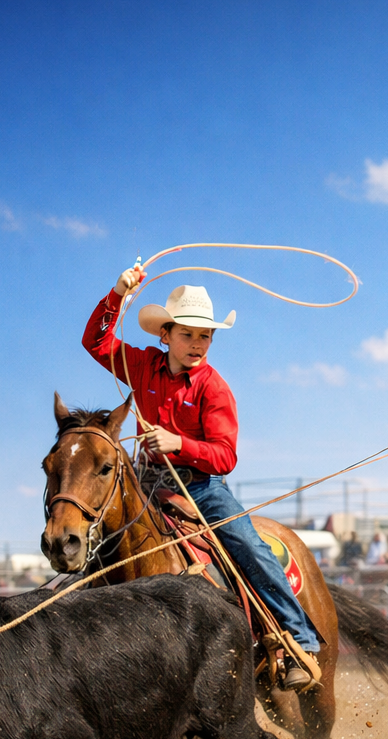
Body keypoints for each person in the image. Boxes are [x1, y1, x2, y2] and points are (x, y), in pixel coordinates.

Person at [82, 265, 322, 690]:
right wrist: (118, 294)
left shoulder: (214, 388)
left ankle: (299, 639)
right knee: (94, 536)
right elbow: (96, 342)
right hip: (145, 483)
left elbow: (225, 457)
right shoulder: (142, 365)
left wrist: (178, 444)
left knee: (248, 545)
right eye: (188, 334)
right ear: (166, 335)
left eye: (205, 336)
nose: (197, 344)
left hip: (201, 487)